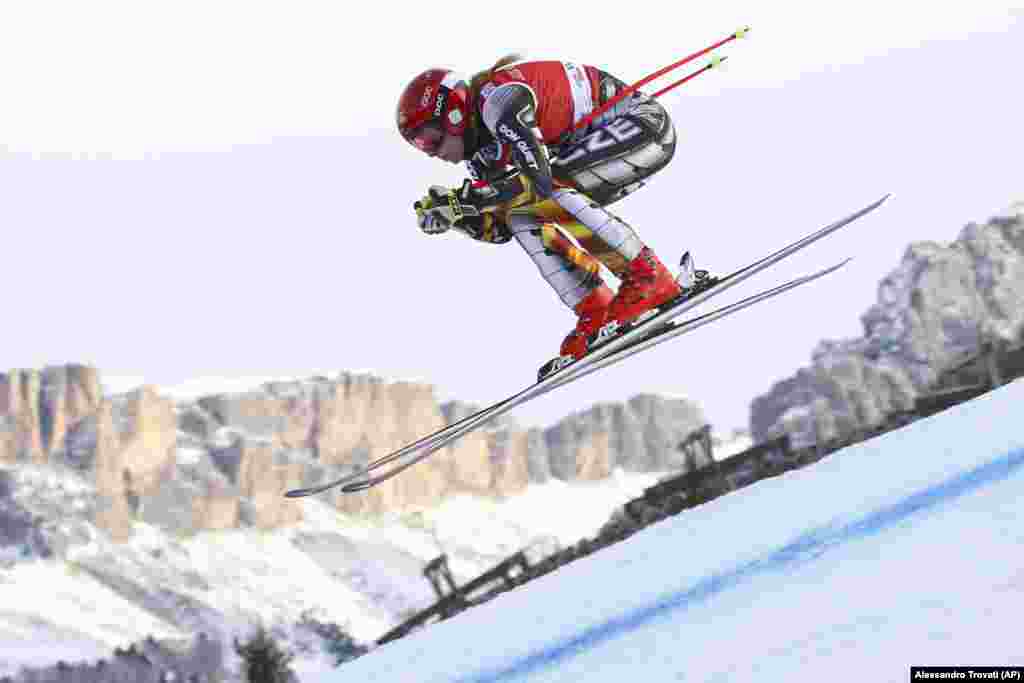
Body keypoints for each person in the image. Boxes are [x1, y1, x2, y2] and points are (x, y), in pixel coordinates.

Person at [396, 57, 695, 374]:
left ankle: (648, 278)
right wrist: (456, 218)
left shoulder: (498, 101)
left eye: (429, 137)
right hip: (595, 151)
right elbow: (501, 229)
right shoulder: (483, 158)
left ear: (453, 113)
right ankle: (595, 307)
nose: (430, 150)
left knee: (547, 188)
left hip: (643, 126)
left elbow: (537, 179)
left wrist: (468, 200)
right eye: (418, 145)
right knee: (521, 215)